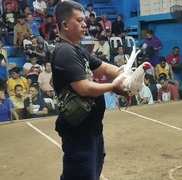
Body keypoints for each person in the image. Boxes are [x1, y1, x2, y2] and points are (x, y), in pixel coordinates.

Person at [52, 1, 126, 179]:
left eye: (85, 20)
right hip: (78, 131)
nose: (85, 24)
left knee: (91, 173)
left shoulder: (78, 50)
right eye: (79, 20)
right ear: (65, 25)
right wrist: (114, 87)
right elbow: (84, 88)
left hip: (90, 128)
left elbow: (105, 68)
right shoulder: (65, 51)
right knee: (80, 174)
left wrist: (127, 76)